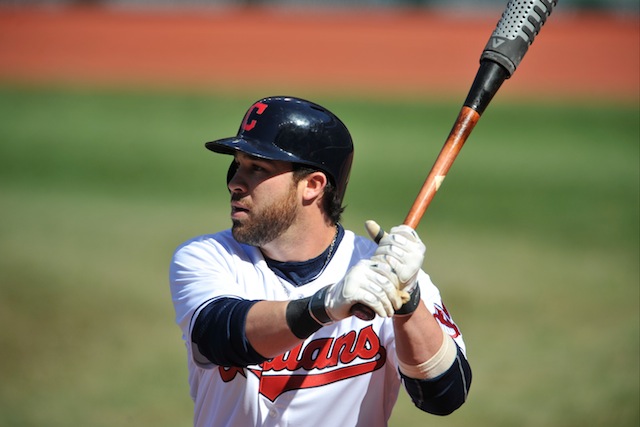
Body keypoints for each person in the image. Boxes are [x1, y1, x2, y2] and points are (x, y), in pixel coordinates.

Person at [170, 96, 471, 427]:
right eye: (238, 165)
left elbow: (445, 396)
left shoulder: (385, 272)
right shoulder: (207, 257)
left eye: (257, 168)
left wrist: (408, 304)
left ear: (312, 186)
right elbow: (218, 336)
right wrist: (323, 306)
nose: (235, 183)